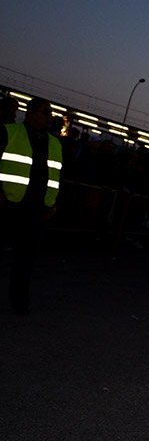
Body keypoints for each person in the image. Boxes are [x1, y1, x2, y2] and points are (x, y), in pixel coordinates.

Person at [0, 96, 63, 315]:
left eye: (50, 113)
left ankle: (19, 302)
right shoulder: (9, 132)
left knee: (26, 259)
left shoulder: (54, 143)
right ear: (30, 113)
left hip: (36, 209)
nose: (49, 117)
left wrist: (52, 203)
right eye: (45, 112)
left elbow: (56, 175)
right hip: (8, 204)